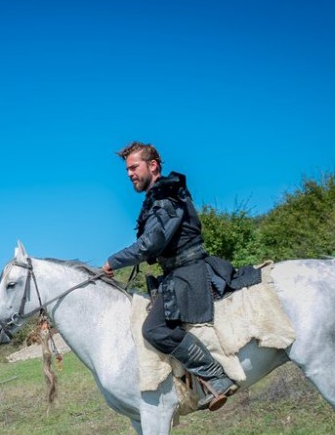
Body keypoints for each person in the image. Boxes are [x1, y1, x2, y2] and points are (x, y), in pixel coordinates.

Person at [101, 141, 237, 411]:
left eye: (134, 167)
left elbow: (153, 242)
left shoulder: (167, 196)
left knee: (153, 329)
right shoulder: (159, 197)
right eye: (127, 170)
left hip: (188, 272)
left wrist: (113, 262)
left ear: (153, 166)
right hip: (175, 271)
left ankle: (215, 376)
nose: (129, 174)